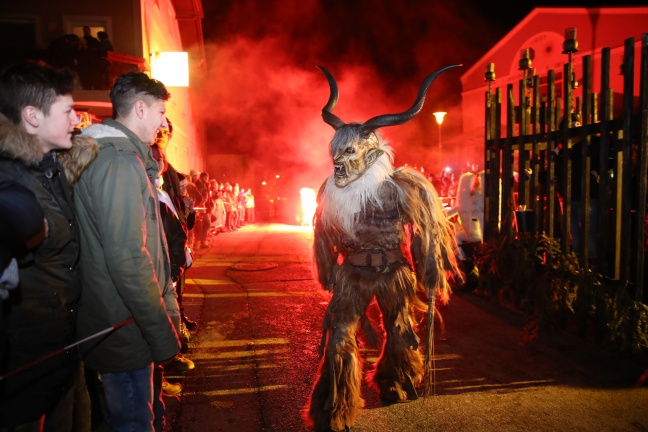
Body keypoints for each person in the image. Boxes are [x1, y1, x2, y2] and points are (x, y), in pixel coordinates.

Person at [306, 65, 461, 431]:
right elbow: (323, 233)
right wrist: (328, 267)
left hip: (393, 272)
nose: (340, 162)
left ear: (371, 154)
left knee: (399, 326)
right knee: (341, 334)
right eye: (338, 154)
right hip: (353, 273)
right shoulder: (331, 192)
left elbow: (427, 228)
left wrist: (429, 266)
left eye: (350, 153)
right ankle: (335, 405)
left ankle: (396, 379)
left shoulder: (401, 187)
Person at [73, 71, 181, 431]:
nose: (164, 122)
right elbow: (128, 259)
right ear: (139, 108)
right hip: (125, 325)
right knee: (133, 422)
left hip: (124, 321)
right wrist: (162, 333)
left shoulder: (122, 157)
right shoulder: (118, 163)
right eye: (160, 112)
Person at [0, 62, 86, 430]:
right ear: (32, 116)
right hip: (24, 360)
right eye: (68, 111)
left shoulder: (49, 168)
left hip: (59, 346)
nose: (76, 120)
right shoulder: (10, 177)